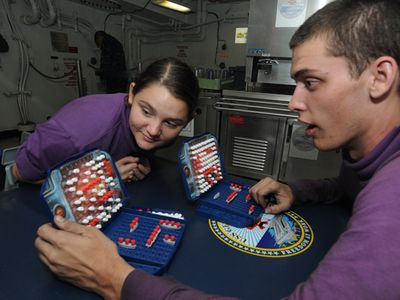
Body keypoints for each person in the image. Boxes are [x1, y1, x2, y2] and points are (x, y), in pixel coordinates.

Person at [35, 0, 400, 299]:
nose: (294, 102)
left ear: (380, 77)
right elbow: (350, 187)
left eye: (311, 82)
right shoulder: (372, 159)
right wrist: (299, 189)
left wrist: (118, 280)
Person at [13, 57, 199, 184]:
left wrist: (142, 161)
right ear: (132, 93)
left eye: (171, 123)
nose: (153, 130)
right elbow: (19, 174)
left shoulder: (148, 125)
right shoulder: (77, 135)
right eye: (146, 112)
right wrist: (103, 178)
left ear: (186, 121)